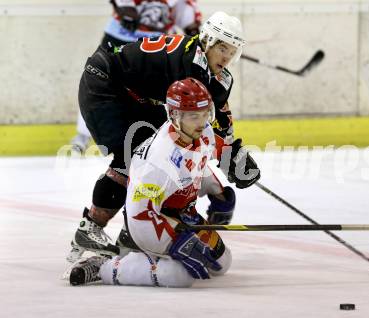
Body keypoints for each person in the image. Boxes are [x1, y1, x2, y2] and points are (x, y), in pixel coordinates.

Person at [66, 11, 261, 264]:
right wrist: (228, 157)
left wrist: (234, 153)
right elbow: (197, 121)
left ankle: (131, 231)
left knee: (155, 150)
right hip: (104, 84)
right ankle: (91, 228)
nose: (227, 56)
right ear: (208, 40)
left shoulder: (213, 73)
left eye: (233, 51)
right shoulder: (190, 63)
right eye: (223, 48)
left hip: (133, 93)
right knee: (136, 156)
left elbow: (217, 118)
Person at [69, 78, 238, 287]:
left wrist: (218, 192)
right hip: (153, 221)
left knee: (222, 263)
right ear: (175, 115)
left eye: (205, 114)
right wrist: (174, 243)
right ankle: (106, 266)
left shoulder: (200, 132)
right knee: (179, 276)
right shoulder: (158, 160)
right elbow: (139, 215)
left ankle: (140, 255)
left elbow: (196, 165)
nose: (202, 122)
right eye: (194, 116)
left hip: (183, 215)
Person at [70, 0, 202, 153]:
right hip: (120, 36)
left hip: (155, 43)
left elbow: (187, 19)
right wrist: (123, 5)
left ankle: (162, 136)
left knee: (160, 89)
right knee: (97, 78)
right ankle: (83, 135)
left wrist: (201, 39)